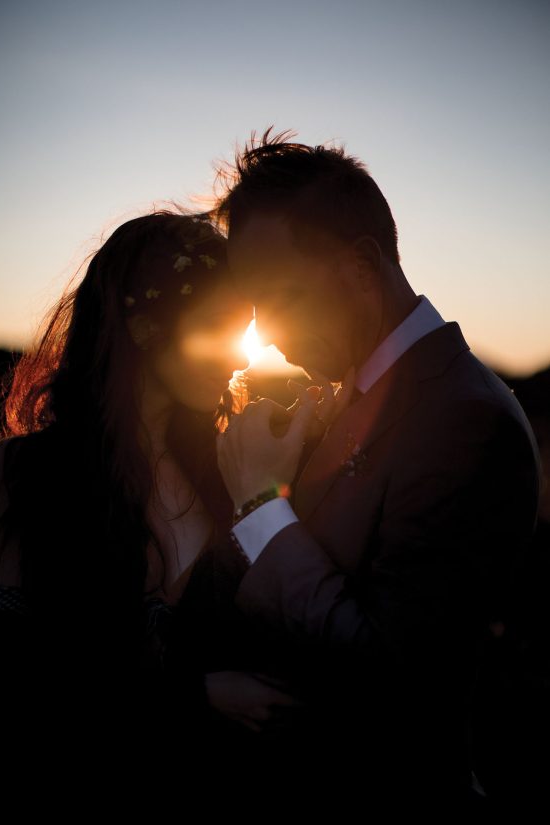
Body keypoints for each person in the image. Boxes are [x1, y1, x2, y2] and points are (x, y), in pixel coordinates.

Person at [206, 130, 542, 812]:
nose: (265, 333)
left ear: (361, 268)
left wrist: (261, 503)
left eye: (279, 296)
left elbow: (393, 680)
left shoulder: (464, 419)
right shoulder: (353, 394)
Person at [0, 210, 305, 778]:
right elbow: (2, 676)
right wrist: (192, 694)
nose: (241, 356)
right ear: (145, 326)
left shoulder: (229, 473)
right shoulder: (26, 472)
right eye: (216, 326)